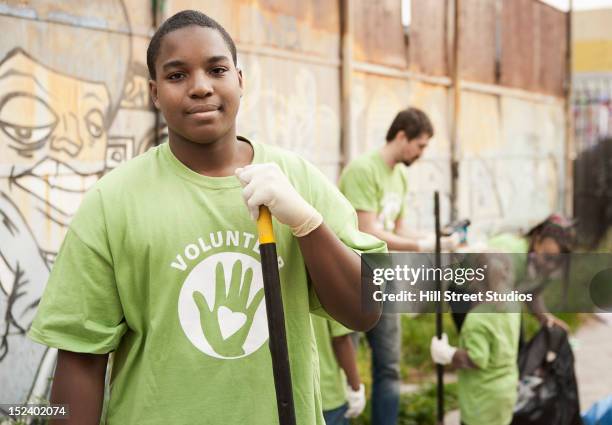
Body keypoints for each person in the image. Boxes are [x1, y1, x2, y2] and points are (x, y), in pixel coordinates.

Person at [27, 10, 385, 425]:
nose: (200, 87)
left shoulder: (297, 179)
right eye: (177, 75)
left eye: (217, 69)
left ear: (240, 80)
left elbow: (366, 310)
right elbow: (81, 362)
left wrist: (308, 224)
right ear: (154, 93)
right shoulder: (113, 201)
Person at [338, 107, 457, 425]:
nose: (421, 154)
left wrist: (436, 237)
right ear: (402, 136)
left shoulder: (400, 174)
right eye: (420, 146)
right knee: (343, 368)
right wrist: (422, 246)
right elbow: (367, 232)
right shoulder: (362, 170)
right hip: (354, 277)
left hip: (386, 277)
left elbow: (397, 228)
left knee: (389, 366)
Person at [430, 254, 522, 425]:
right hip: (507, 390)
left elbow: (477, 358)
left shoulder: (477, 319)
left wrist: (448, 353)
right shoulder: (512, 302)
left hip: (481, 399)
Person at [312, 315, 366, 425]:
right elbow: (341, 340)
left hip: (288, 394)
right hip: (329, 394)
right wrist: (356, 388)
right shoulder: (328, 296)